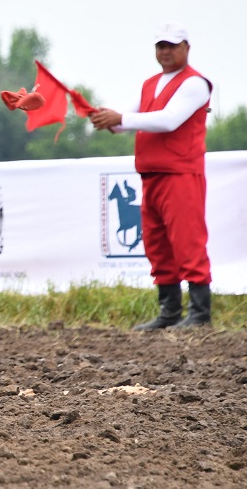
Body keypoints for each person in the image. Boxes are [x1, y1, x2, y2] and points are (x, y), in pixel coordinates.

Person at [90, 21, 213, 330]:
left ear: (186, 48)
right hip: (152, 175)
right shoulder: (150, 84)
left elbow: (169, 120)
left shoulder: (196, 83)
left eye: (171, 45)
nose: (165, 51)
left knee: (187, 242)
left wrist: (121, 118)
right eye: (160, 46)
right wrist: (100, 115)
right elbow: (122, 123)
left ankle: (199, 314)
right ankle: (169, 311)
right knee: (157, 245)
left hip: (181, 174)